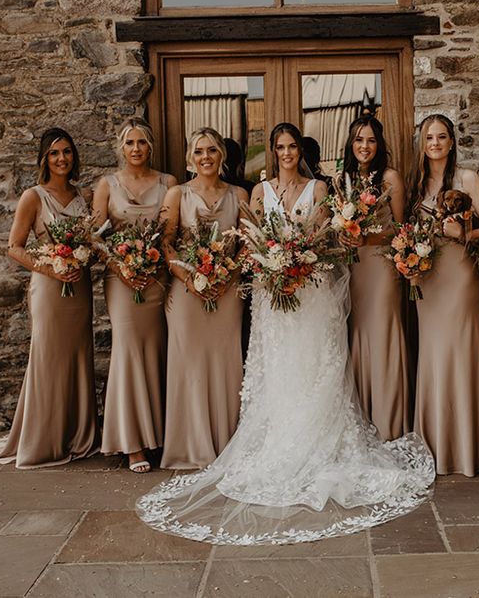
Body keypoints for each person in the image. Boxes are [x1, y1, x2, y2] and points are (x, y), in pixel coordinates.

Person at [136, 122, 434, 545]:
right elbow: (251, 243)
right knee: (278, 368)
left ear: (301, 150)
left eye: (293, 146)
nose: (287, 152)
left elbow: (330, 241)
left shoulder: (319, 189)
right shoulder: (258, 193)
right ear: (273, 151)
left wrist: (298, 263)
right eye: (280, 146)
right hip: (272, 297)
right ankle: (276, 442)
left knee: (312, 367)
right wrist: (273, 267)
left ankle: (319, 442)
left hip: (311, 295)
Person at [0, 128, 99, 468]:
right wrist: (52, 268)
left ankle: (78, 435)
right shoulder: (33, 196)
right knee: (48, 359)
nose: (62, 159)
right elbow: (14, 248)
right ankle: (43, 440)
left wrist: (85, 256)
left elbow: (94, 243)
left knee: (78, 357)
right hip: (50, 288)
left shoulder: (84, 196)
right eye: (54, 153)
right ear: (44, 159)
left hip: (78, 289)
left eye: (67, 152)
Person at [407, 114, 479, 476]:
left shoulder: (467, 178)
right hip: (428, 276)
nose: (435, 143)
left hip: (459, 275)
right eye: (429, 137)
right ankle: (436, 447)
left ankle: (468, 448)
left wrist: (464, 233)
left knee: (461, 352)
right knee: (433, 355)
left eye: (442, 137)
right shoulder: (417, 184)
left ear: (451, 142)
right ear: (422, 144)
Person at [160, 127, 248, 470]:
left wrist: (226, 276)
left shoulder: (239, 194)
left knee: (226, 364)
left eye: (212, 150)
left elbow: (246, 244)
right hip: (186, 292)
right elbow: (166, 243)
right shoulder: (177, 195)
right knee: (190, 366)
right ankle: (189, 446)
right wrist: (190, 279)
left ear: (221, 155)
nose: (206, 157)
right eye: (199, 151)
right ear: (190, 157)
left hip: (227, 291)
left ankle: (226, 444)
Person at [92, 118, 177, 473]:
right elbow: (95, 235)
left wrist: (151, 265)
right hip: (121, 280)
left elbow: (174, 231)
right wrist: (122, 265)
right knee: (128, 352)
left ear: (151, 146)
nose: (136, 149)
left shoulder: (168, 183)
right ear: (121, 147)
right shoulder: (106, 185)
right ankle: (132, 444)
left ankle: (156, 435)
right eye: (130, 143)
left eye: (142, 142)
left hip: (157, 280)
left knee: (157, 352)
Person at [339, 115, 410, 441]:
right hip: (352, 269)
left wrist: (369, 238)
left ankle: (388, 423)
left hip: (381, 268)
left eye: (370, 140)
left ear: (378, 145)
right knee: (358, 338)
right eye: (358, 140)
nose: (364, 146)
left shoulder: (390, 177)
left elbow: (401, 228)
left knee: (382, 336)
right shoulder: (344, 180)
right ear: (350, 144)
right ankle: (363, 421)